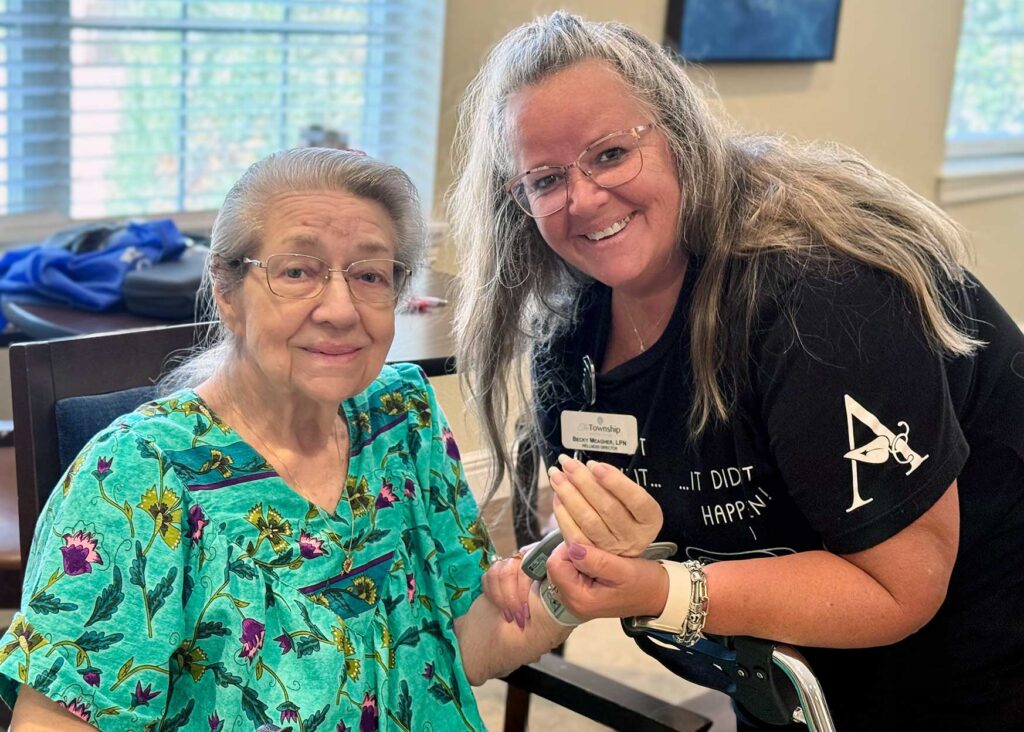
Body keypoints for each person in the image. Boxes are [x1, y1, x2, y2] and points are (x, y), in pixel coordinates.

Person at [450, 11, 1024, 731]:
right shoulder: (569, 342)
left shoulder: (822, 295)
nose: (584, 198)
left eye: (610, 154)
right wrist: (587, 560)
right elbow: (639, 538)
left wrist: (661, 588)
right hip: (783, 659)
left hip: (980, 629)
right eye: (545, 179)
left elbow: (898, 588)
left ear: (678, 135)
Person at [0, 147, 572, 731]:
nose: (341, 310)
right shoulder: (135, 477)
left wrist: (569, 587)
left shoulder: (403, 417)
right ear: (226, 291)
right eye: (297, 271)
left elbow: (466, 642)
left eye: (369, 275)